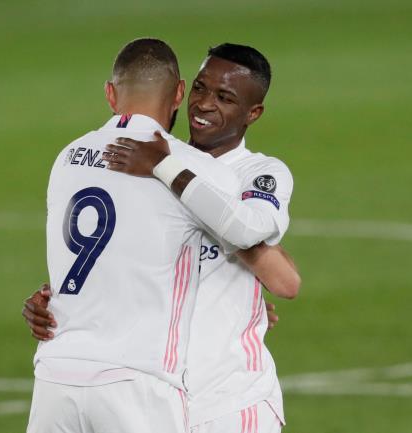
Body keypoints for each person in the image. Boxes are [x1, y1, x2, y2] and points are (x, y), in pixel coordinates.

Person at [25, 43, 300, 433]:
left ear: (252, 113)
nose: (204, 104)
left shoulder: (255, 173)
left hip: (227, 400)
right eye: (200, 89)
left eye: (224, 98)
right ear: (182, 91)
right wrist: (59, 299)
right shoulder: (148, 158)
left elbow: (285, 280)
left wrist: (242, 301)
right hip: (160, 393)